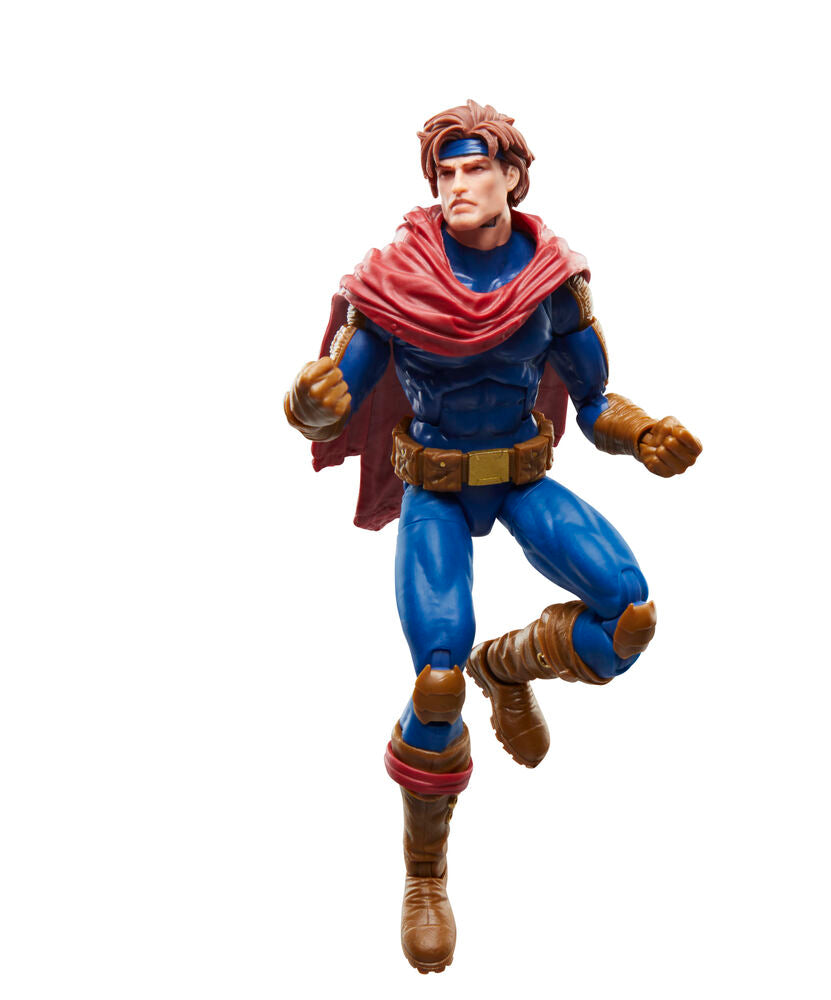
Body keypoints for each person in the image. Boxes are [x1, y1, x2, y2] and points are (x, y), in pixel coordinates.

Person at [284, 99, 702, 974]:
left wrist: (644, 435)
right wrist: (309, 404)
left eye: (475, 169)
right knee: (436, 682)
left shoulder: (552, 282)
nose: (458, 186)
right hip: (433, 487)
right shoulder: (397, 281)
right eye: (445, 173)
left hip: (520, 475)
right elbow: (338, 391)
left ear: (513, 176)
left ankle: (508, 667)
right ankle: (425, 874)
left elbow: (595, 401)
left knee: (628, 617)